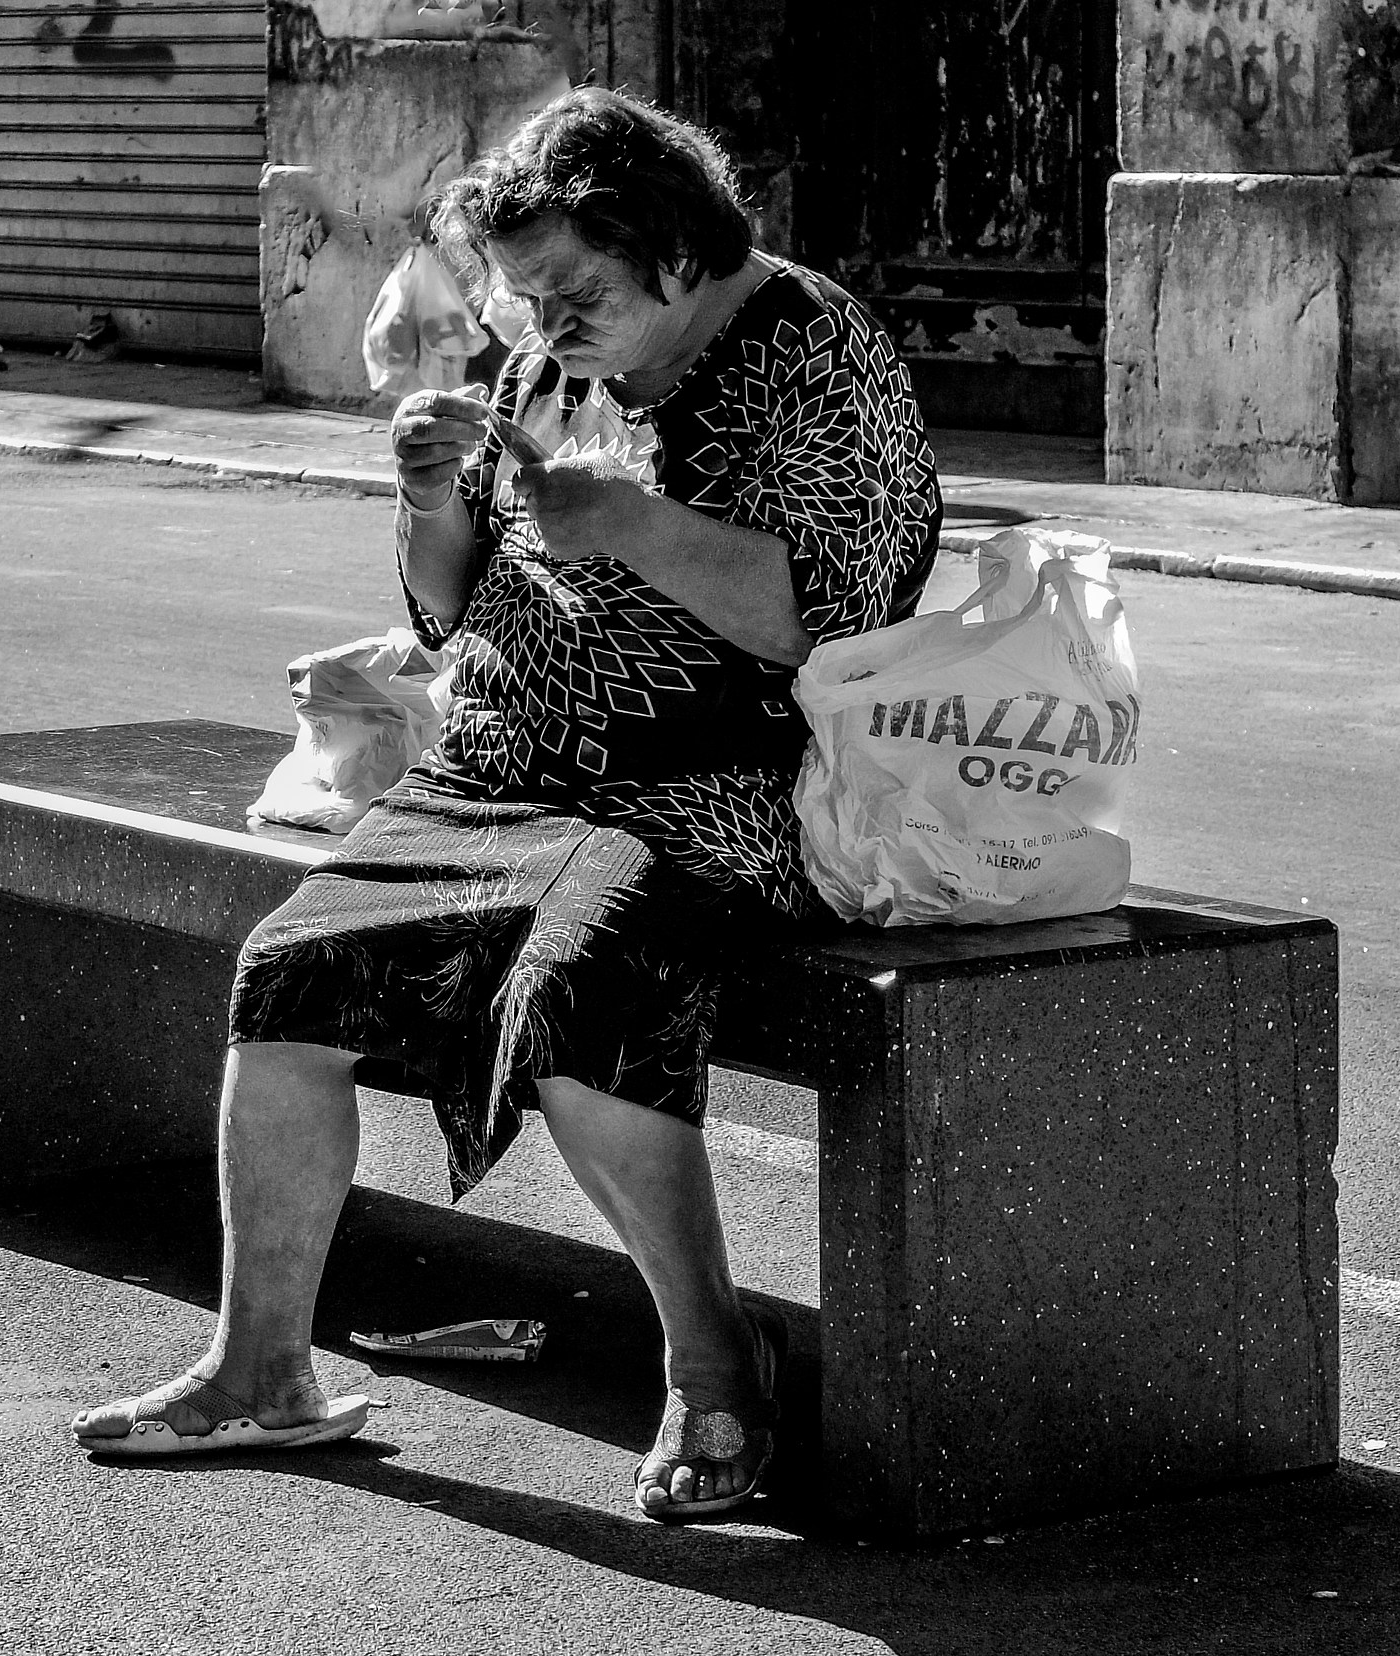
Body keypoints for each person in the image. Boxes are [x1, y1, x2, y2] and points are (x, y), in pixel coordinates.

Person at [72, 86, 941, 1522]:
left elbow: (841, 622)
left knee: (583, 1000)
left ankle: (716, 1363)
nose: (542, 324)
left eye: (573, 294)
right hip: (494, 767)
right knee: (287, 979)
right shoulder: (551, 356)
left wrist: (633, 526)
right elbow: (446, 606)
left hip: (712, 791)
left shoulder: (815, 355)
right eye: (524, 296)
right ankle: (262, 1372)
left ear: (677, 251)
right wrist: (429, 502)